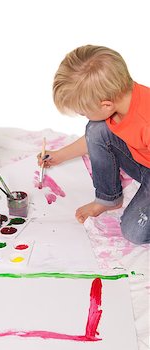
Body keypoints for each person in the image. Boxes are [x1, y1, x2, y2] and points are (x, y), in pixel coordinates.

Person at [38, 45, 150, 245]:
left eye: (83, 112)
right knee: (97, 128)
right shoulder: (120, 97)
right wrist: (59, 156)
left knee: (133, 232)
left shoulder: (146, 122)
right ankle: (109, 198)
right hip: (143, 160)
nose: (84, 116)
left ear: (105, 105)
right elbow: (99, 137)